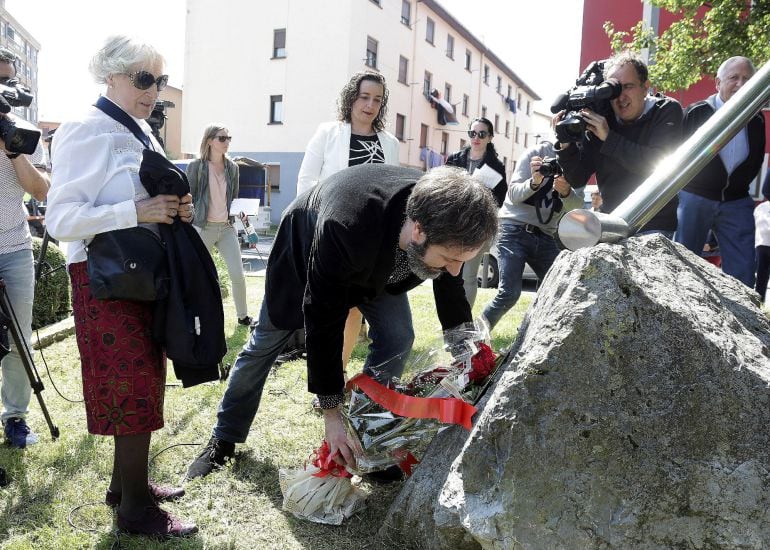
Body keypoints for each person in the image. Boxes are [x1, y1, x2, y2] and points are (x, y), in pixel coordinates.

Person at [185, 164, 498, 480]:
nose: (456, 270)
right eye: (449, 260)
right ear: (418, 231)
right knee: (265, 344)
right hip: (308, 253)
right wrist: (331, 412)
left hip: (378, 264)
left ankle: (367, 439)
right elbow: (324, 320)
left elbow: (451, 286)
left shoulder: (444, 215)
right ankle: (223, 438)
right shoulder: (346, 226)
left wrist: (467, 353)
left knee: (397, 335)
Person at [46, 36, 197, 537]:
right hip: (103, 279)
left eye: (159, 79)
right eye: (143, 78)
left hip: (140, 276)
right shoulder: (85, 129)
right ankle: (136, 511)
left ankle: (126, 485)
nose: (153, 89)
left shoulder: (140, 132)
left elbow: (146, 199)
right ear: (110, 75)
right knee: (128, 385)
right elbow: (60, 219)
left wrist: (175, 210)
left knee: (145, 380)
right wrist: (135, 211)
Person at [296, 71, 400, 370]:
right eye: (364, 97)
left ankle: (338, 371)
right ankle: (326, 375)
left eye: (377, 100)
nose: (370, 105)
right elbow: (306, 180)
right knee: (331, 310)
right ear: (351, 97)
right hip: (331, 234)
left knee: (355, 310)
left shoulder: (389, 143)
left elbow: (392, 192)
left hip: (372, 243)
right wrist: (312, 223)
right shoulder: (328, 133)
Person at [556, 51, 683, 236]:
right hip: (613, 223)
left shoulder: (666, 110)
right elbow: (577, 178)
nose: (620, 97)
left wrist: (608, 138)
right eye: (613, 89)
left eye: (628, 86)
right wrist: (566, 143)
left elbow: (657, 166)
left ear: (645, 87)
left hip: (654, 223)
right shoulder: (602, 117)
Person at [674, 56, 765, 288]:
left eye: (747, 79)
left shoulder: (756, 118)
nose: (741, 84)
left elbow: (755, 159)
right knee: (684, 262)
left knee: (743, 269)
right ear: (718, 83)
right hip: (696, 196)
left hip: (736, 201)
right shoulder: (698, 112)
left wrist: (739, 187)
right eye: (734, 78)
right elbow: (677, 156)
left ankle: (742, 320)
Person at [0, 47, 49, 449]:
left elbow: (40, 189)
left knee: (18, 340)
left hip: (14, 247)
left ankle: (15, 417)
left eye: (11, 80)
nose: (7, 88)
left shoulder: (21, 132)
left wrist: (12, 150)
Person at [481, 141, 582, 330]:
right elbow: (513, 195)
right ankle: (472, 343)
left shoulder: (579, 162)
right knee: (509, 293)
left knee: (557, 290)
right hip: (513, 229)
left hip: (546, 235)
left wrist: (566, 192)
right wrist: (534, 182)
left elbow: (576, 207)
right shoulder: (536, 152)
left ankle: (530, 336)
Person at [186, 125, 251, 326]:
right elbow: (189, 197)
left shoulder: (233, 168)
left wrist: (245, 218)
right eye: (222, 138)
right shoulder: (196, 167)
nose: (227, 142)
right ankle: (190, 314)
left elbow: (233, 198)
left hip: (226, 228)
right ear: (209, 141)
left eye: (228, 138)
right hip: (203, 227)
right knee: (195, 275)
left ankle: (243, 316)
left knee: (238, 275)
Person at [445, 117, 507, 307]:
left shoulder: (496, 166)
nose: (476, 138)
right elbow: (443, 187)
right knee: (449, 274)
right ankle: (449, 318)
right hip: (453, 224)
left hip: (479, 226)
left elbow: (499, 199)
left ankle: (464, 320)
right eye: (473, 133)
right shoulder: (455, 159)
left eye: (482, 134)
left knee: (469, 276)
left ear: (490, 137)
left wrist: (480, 193)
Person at [755, 172, 770, 302]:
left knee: (761, 277)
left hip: (761, 243)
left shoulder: (760, 207)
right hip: (762, 244)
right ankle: (759, 302)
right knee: (761, 277)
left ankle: (759, 302)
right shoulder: (761, 207)